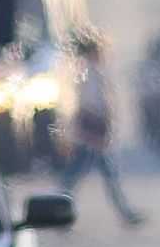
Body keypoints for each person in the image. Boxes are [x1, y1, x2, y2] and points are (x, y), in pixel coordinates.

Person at [60, 34, 144, 226]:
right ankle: (59, 207)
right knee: (79, 176)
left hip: (93, 133)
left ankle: (125, 213)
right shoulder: (89, 74)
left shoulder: (93, 72)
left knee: (82, 176)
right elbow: (89, 105)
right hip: (92, 133)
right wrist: (97, 130)